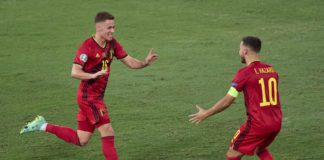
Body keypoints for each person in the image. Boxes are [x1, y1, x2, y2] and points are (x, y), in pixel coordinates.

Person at [20, 11, 158, 160]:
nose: (113, 30)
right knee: (108, 131)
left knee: (82, 139)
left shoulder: (112, 43)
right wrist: (92, 75)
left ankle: (42, 125)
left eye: (114, 27)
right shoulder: (87, 47)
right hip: (89, 98)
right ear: (98, 27)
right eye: (109, 28)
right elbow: (74, 72)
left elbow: (129, 61)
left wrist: (145, 63)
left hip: (95, 97)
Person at [189, 36, 282, 160]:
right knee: (260, 148)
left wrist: (206, 113)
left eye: (239, 48)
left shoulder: (244, 73)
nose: (239, 52)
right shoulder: (271, 70)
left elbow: (228, 101)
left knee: (232, 154)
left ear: (245, 51)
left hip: (258, 124)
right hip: (276, 122)